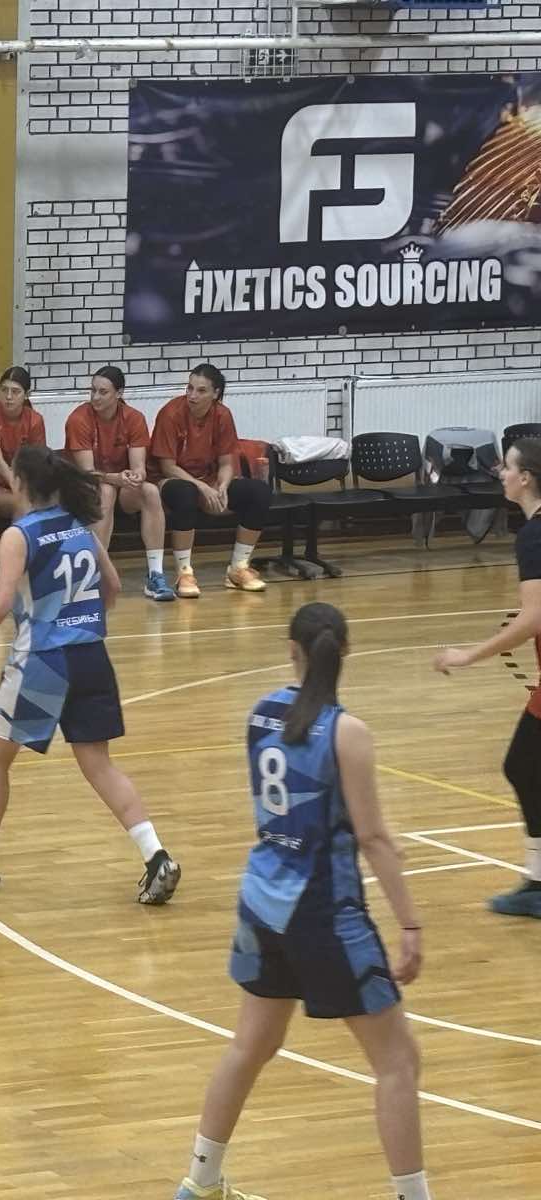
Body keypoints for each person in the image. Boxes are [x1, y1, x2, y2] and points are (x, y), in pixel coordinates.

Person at [177, 602, 429, 1200]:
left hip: (262, 899)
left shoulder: (260, 712)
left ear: (291, 650)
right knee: (398, 1061)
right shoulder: (347, 732)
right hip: (322, 911)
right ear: (347, 652)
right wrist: (410, 924)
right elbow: (372, 837)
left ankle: (200, 1181)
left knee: (251, 1045)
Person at [0, 444, 181, 904]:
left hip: (42, 659)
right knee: (99, 765)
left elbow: (1, 603)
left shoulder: (19, 535)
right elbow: (113, 587)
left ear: (20, 483)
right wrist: (80, 617)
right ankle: (156, 855)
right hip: (91, 655)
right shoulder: (80, 528)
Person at [433, 436, 541, 918]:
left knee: (523, 765)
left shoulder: (534, 536)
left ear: (526, 478)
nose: (501, 473)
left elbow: (533, 617)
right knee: (525, 767)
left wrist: (468, 656)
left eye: (508, 467)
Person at [149, 363, 270, 596]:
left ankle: (238, 567)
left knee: (259, 492)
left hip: (208, 479)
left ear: (215, 393)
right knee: (186, 493)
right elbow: (167, 467)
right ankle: (184, 573)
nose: (192, 395)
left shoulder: (223, 415)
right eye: (190, 388)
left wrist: (223, 486)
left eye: (201, 390)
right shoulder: (171, 413)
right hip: (169, 479)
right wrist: (202, 487)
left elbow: (226, 463)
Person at [64, 365, 174, 601]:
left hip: (120, 485)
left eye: (103, 392)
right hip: (84, 488)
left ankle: (155, 575)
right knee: (106, 490)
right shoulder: (78, 419)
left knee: (150, 491)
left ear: (119, 393)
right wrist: (115, 478)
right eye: (93, 390)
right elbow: (87, 473)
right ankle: (94, 574)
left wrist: (137, 476)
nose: (95, 397)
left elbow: (138, 467)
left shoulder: (134, 418)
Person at [0, 365, 46, 527]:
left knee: (55, 502)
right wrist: (17, 487)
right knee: (23, 504)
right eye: (4, 390)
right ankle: (16, 542)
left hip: (23, 482)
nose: (8, 396)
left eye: (15, 391)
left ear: (26, 395)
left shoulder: (34, 420)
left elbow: (38, 462)